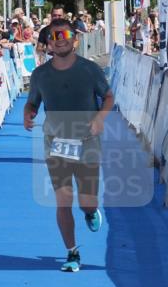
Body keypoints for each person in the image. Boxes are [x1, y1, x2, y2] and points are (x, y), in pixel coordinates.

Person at [23, 19, 114, 273]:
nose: (59, 39)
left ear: (75, 40)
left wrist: (100, 118)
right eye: (54, 36)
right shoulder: (40, 74)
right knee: (63, 200)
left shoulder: (90, 70)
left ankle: (90, 211)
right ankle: (72, 253)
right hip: (56, 143)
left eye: (65, 34)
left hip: (87, 142)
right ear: (48, 43)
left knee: (87, 202)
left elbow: (108, 97)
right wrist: (27, 113)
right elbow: (33, 102)